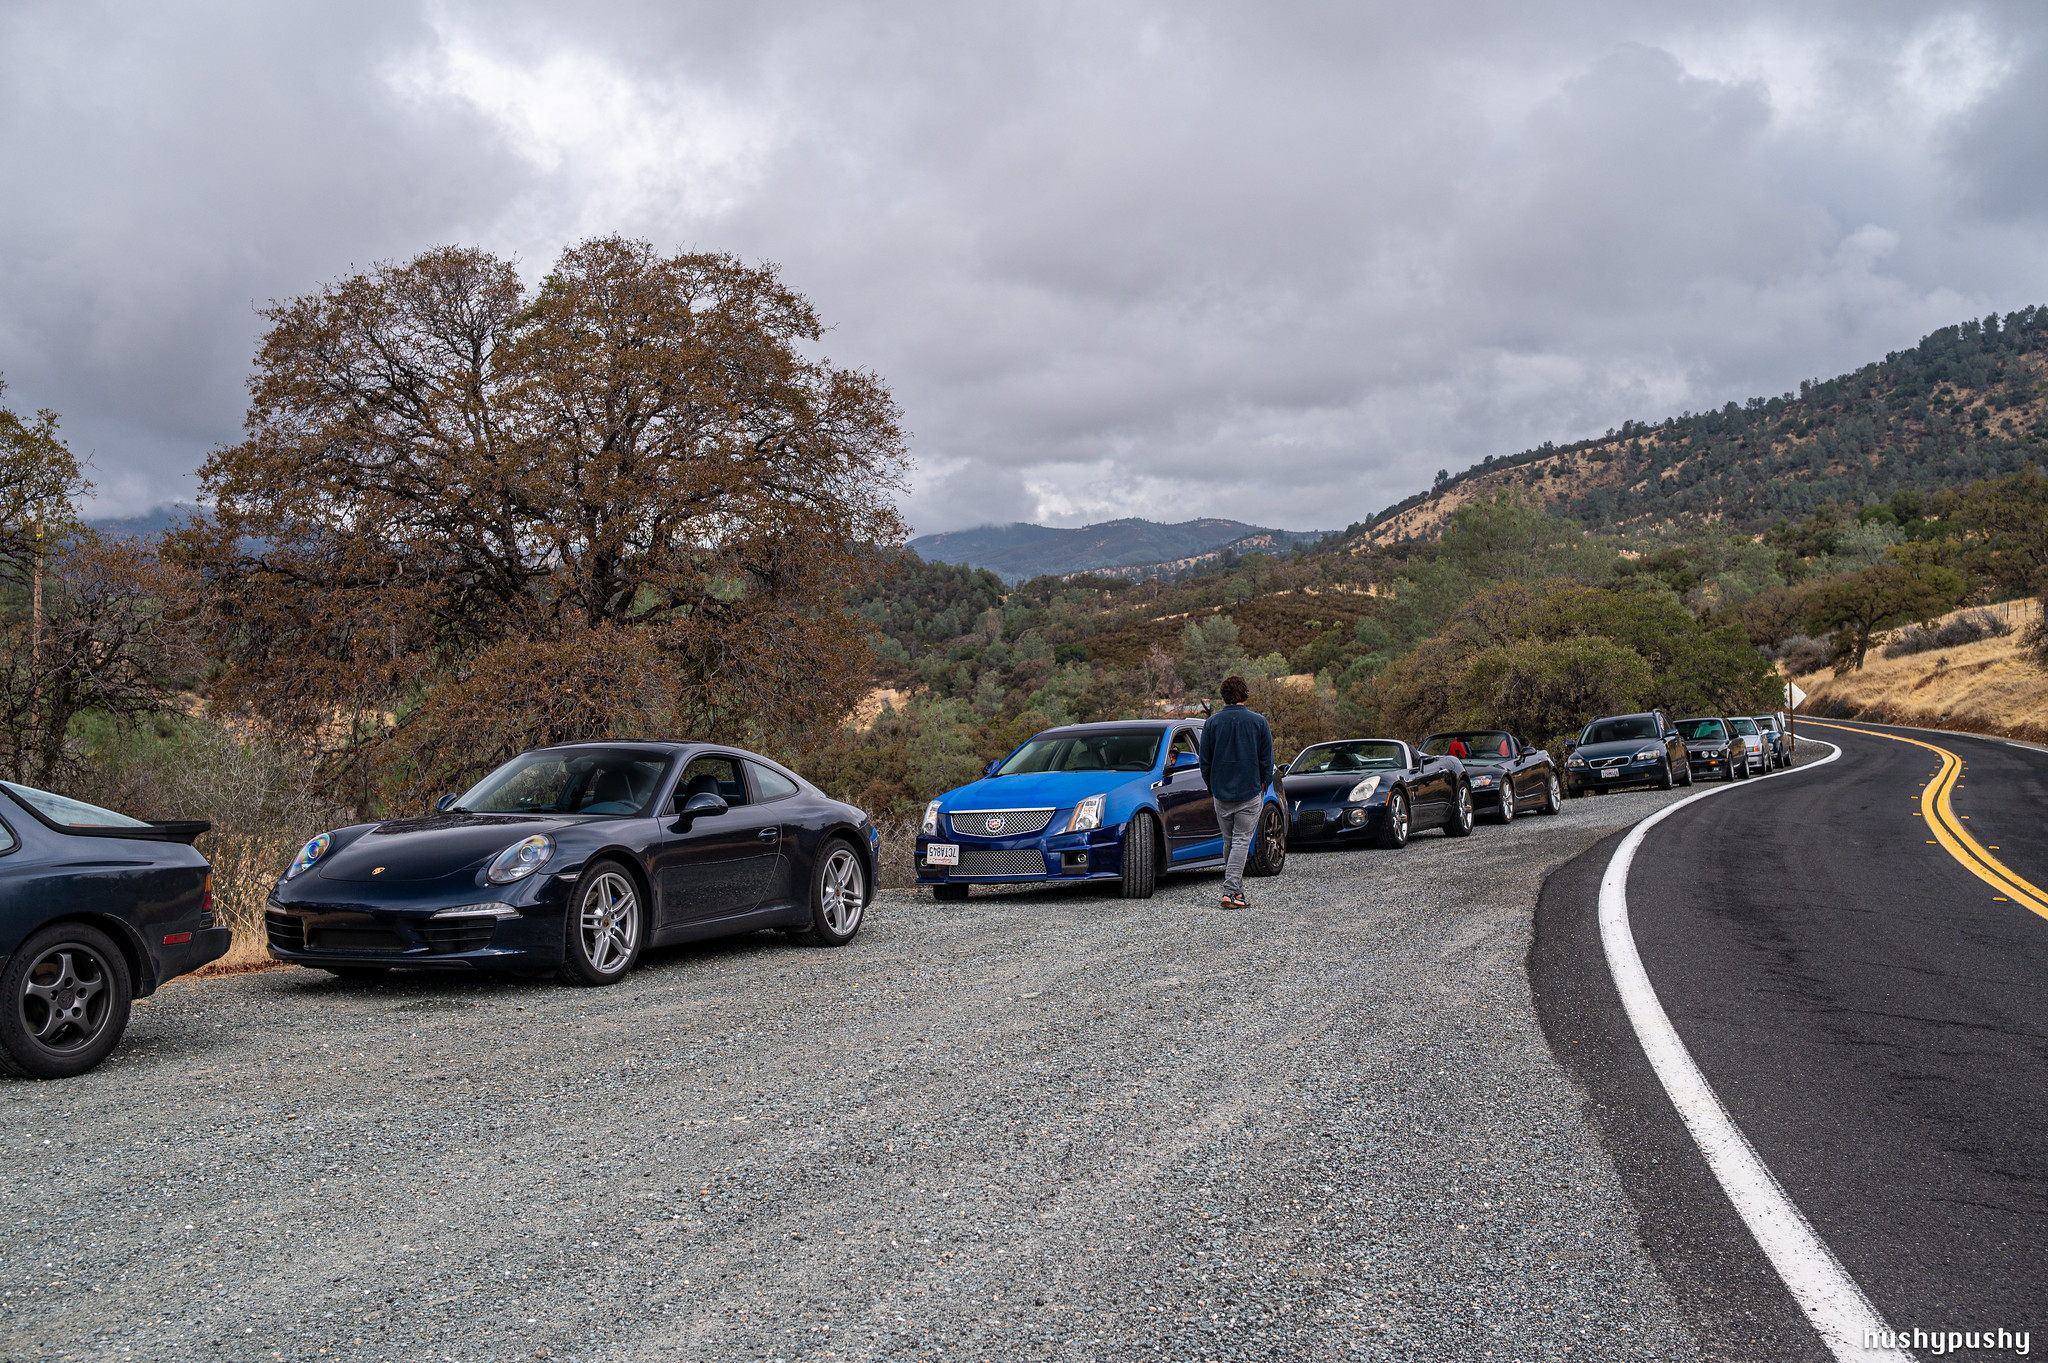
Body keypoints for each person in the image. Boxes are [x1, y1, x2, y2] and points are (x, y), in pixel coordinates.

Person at [1198, 674, 1273, 911]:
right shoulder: (1259, 722)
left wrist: (1212, 785)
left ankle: (1237, 892)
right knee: (1241, 840)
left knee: (1229, 841)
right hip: (1250, 790)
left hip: (1221, 792)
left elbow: (1204, 761)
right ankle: (1230, 891)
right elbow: (1267, 759)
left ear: (1223, 696)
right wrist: (1265, 782)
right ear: (1245, 694)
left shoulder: (1212, 724)